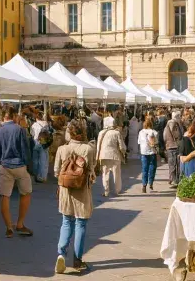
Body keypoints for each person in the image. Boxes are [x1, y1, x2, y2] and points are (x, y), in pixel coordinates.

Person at [53, 119, 95, 274]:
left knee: (66, 222)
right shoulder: (88, 149)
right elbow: (91, 169)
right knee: (80, 224)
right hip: (82, 190)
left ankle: (61, 254)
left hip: (65, 190)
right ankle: (77, 260)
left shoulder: (62, 149)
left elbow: (56, 171)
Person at [0, 106, 34, 238]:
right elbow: (25, 148)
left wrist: (1, 161)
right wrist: (27, 164)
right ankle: (20, 223)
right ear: (14, 115)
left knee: (5, 196)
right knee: (26, 193)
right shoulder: (19, 130)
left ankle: (9, 227)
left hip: (5, 165)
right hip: (19, 164)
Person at [97, 116, 124, 197]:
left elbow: (98, 146)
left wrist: (97, 157)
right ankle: (117, 190)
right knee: (117, 174)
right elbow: (121, 146)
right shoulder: (117, 133)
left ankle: (106, 191)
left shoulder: (101, 132)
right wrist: (123, 152)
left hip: (103, 155)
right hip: (115, 155)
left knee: (105, 173)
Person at [164, 111, 185, 188]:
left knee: (175, 163)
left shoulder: (173, 123)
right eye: (179, 116)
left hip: (172, 146)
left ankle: (174, 179)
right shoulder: (172, 123)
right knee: (173, 163)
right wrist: (179, 138)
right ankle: (174, 180)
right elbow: (176, 134)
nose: (180, 118)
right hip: (173, 146)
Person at [137, 118, 159, 193]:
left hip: (143, 152)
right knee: (152, 167)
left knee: (144, 169)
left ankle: (144, 185)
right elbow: (156, 143)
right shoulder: (154, 132)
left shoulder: (141, 132)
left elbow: (139, 142)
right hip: (152, 152)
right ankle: (151, 183)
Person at [30, 112, 51, 183]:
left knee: (35, 160)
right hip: (44, 143)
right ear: (42, 117)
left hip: (36, 143)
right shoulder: (46, 124)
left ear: (36, 118)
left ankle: (35, 174)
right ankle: (42, 176)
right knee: (43, 160)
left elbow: (32, 134)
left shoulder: (34, 125)